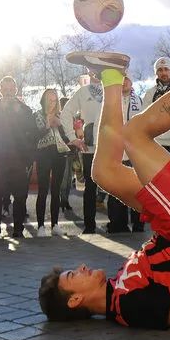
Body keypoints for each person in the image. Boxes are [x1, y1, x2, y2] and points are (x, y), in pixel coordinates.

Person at [39, 18, 170, 328]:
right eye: (73, 276)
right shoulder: (128, 304)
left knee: (102, 172)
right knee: (135, 135)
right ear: (75, 300)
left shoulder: (120, 286)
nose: (82, 266)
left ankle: (112, 76)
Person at [0, 76, 36, 238]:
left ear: (16, 90)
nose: (8, 92)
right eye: (5, 89)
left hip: (20, 162)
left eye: (11, 89)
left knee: (20, 197)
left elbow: (33, 136)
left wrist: (29, 159)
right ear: (0, 90)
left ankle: (18, 229)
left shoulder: (26, 110)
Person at [60, 75, 104, 234]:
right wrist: (72, 138)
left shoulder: (114, 90)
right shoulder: (83, 91)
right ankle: (90, 227)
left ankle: (118, 226)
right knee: (90, 188)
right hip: (90, 149)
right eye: (92, 70)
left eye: (98, 70)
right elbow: (65, 113)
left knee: (115, 188)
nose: (95, 74)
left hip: (112, 147)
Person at [106, 76, 144, 233]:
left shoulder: (139, 101)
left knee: (137, 189)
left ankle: (138, 223)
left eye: (127, 79)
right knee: (117, 189)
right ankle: (117, 223)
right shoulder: (111, 102)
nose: (125, 82)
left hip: (134, 150)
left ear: (132, 82)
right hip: (117, 150)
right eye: (122, 80)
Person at [33, 89, 71, 237]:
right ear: (43, 100)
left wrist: (60, 125)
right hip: (43, 155)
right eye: (49, 99)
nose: (52, 102)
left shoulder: (61, 116)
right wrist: (48, 123)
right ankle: (41, 226)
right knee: (43, 190)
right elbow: (35, 136)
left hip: (60, 155)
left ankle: (55, 224)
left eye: (54, 100)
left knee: (56, 190)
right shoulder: (37, 115)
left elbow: (66, 137)